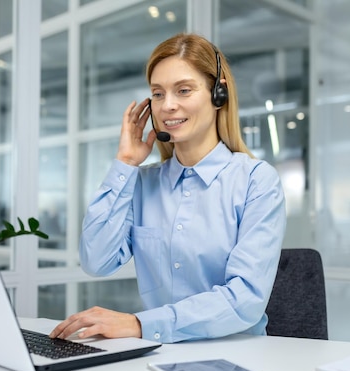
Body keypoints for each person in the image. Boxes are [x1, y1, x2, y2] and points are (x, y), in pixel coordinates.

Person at [50, 33, 286, 343]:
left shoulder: (257, 181)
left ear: (219, 95)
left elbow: (246, 300)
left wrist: (140, 324)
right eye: (158, 94)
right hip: (161, 354)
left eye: (184, 90)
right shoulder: (143, 184)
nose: (168, 106)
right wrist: (125, 164)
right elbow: (96, 261)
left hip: (235, 357)